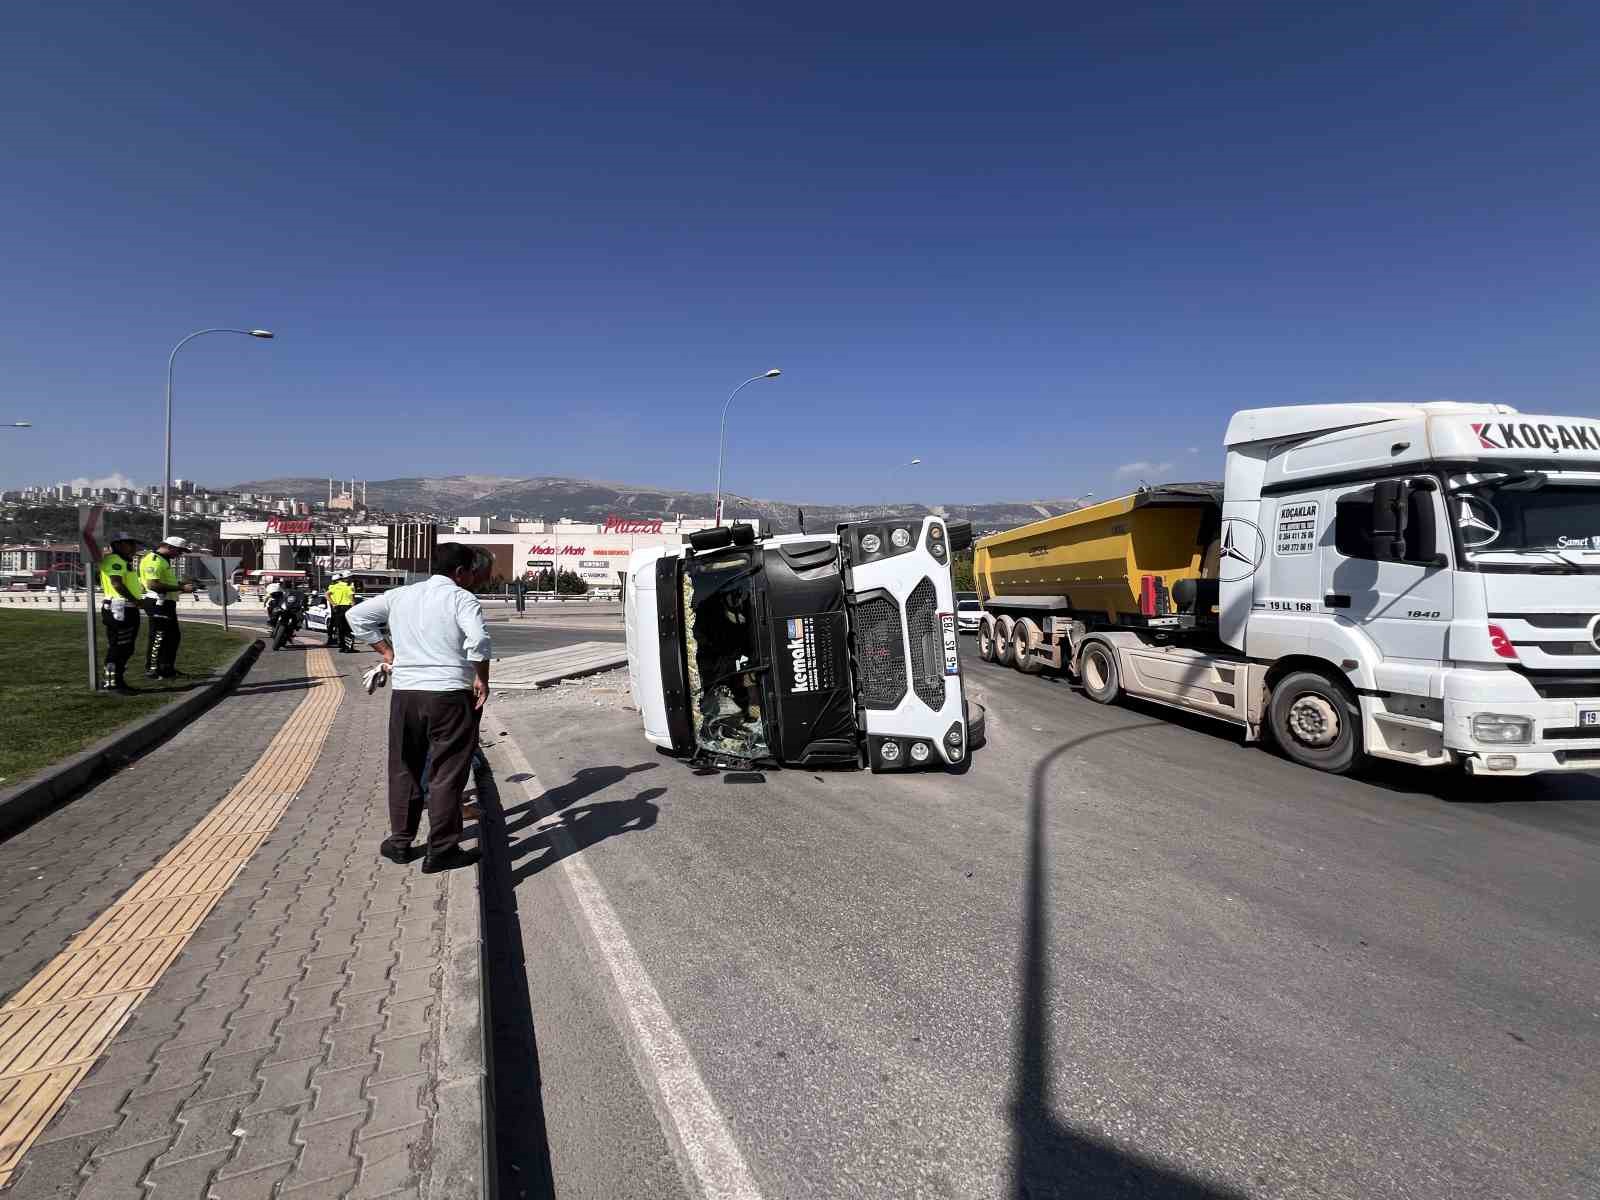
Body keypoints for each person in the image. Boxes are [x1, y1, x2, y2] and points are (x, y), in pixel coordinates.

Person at [348, 542, 491, 873]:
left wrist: (386, 652)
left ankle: (400, 842)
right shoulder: (462, 598)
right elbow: (478, 642)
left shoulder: (401, 595)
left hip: (406, 695)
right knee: (446, 772)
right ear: (460, 572)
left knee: (404, 768)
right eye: (470, 571)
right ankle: (441, 849)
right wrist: (481, 678)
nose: (471, 577)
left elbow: (356, 616)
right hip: (449, 696)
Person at [139, 535, 196, 678]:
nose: (180, 555)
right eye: (179, 551)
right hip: (158, 602)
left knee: (172, 637)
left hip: (166, 603)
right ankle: (152, 669)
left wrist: (180, 585)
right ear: (169, 547)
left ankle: (167, 668)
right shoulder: (154, 560)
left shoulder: (163, 561)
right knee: (159, 637)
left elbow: (163, 582)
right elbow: (153, 585)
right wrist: (181, 588)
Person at [97, 532, 146, 693]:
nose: (133, 547)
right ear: (117, 545)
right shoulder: (114, 561)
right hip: (119, 608)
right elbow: (116, 584)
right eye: (129, 544)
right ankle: (111, 682)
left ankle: (117, 680)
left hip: (127, 608)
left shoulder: (125, 562)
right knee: (119, 647)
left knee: (126, 647)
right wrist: (135, 600)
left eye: (134, 544)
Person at [325, 573, 357, 652]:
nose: (351, 579)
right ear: (346, 579)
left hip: (337, 609)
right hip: (347, 608)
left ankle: (342, 647)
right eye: (350, 578)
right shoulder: (349, 587)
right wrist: (354, 608)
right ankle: (348, 648)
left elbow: (326, 594)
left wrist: (333, 604)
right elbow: (352, 599)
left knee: (340, 628)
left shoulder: (334, 586)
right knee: (349, 629)